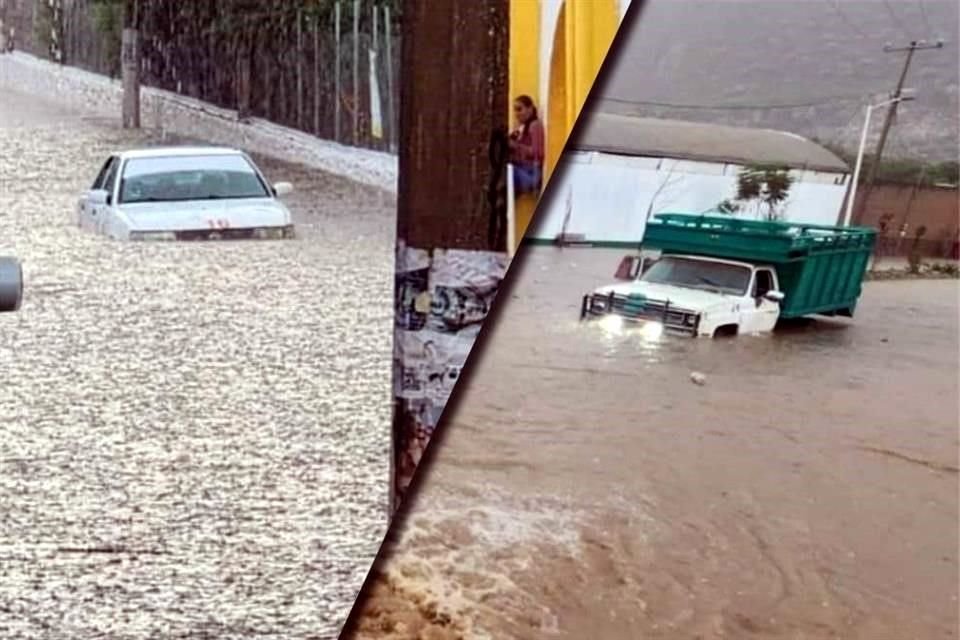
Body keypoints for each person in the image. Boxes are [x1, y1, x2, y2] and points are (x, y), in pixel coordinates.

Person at [509, 95, 544, 194]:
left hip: (531, 174)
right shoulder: (521, 128)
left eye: (519, 109)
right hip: (523, 170)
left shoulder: (535, 125)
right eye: (515, 110)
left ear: (530, 109)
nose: (516, 113)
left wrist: (515, 146)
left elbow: (538, 153)